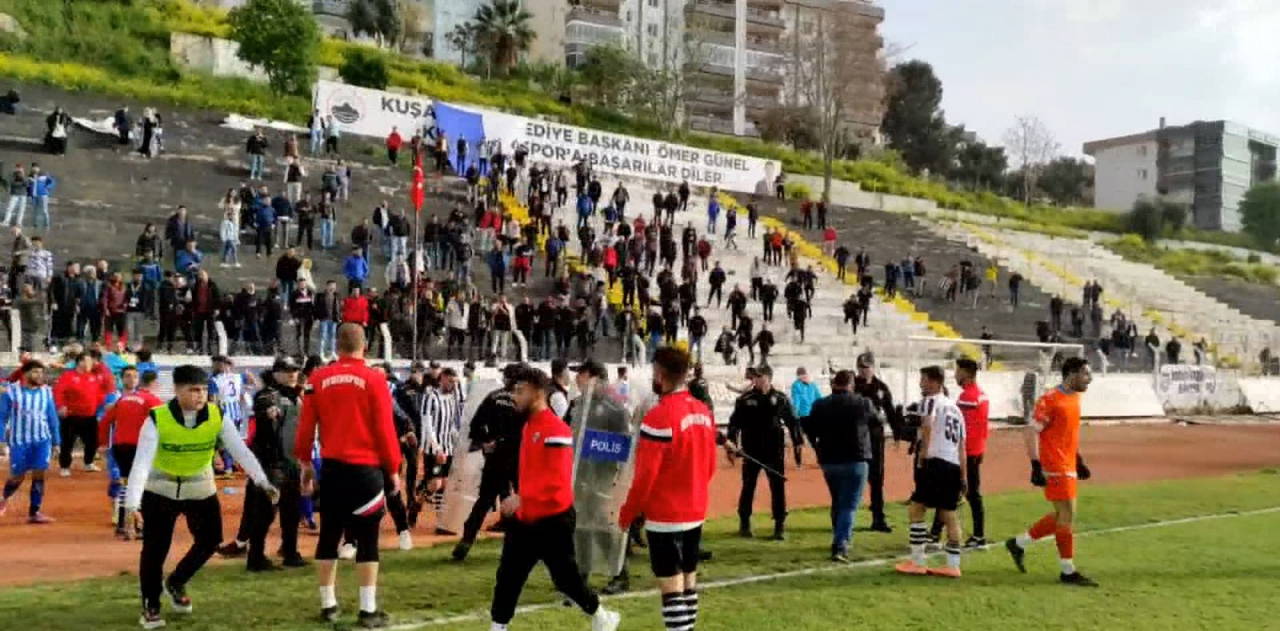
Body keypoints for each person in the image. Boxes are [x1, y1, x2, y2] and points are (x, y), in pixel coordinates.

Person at [124, 364, 278, 629]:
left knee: (210, 541)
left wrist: (262, 481)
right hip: (160, 491)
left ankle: (176, 581)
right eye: (193, 390)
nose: (200, 396)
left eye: (204, 390)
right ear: (177, 390)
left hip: (200, 489)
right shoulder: (156, 419)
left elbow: (240, 451)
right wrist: (131, 505)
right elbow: (141, 464)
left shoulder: (217, 415)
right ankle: (151, 606)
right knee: (154, 551)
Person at [486, 366, 621, 631]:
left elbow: (557, 481)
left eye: (520, 391)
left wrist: (523, 498)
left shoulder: (555, 430)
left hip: (553, 520)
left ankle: (602, 616)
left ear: (538, 393)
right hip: (526, 519)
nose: (514, 396)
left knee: (565, 580)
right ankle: (498, 627)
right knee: (508, 576)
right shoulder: (529, 426)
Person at [295, 324, 402, 626]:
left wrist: (305, 463)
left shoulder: (317, 379)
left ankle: (328, 605)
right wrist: (393, 468)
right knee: (368, 539)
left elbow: (306, 428)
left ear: (337, 345)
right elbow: (385, 429)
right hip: (366, 470)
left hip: (332, 469)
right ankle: (368, 610)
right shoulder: (374, 379)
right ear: (364, 345)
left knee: (329, 535)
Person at [618, 347, 717, 630]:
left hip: (666, 513)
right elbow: (710, 465)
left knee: (671, 588)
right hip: (695, 508)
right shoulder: (703, 411)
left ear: (660, 375)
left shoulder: (659, 416)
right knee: (688, 582)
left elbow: (645, 475)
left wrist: (628, 513)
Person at [1005, 357, 1099, 587]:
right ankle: (1068, 571)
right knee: (1066, 515)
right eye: (1085, 374)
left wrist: (1078, 458)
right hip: (1055, 466)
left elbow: (1066, 432)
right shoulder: (1050, 399)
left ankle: (1018, 543)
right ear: (1072, 374)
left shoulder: (1074, 397)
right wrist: (1035, 465)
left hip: (1068, 463)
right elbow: (1030, 431)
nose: (1089, 379)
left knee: (1062, 515)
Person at [894, 365, 967, 578]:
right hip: (953, 464)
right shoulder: (956, 409)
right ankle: (953, 565)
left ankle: (917, 561)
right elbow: (962, 446)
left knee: (917, 509)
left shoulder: (929, 401)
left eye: (923, 380)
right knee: (949, 514)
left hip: (935, 461)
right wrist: (963, 476)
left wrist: (923, 456)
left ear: (935, 382)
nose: (921, 384)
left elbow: (927, 426)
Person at [801, 369, 873, 562]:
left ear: (834, 384)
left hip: (830, 460)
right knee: (849, 505)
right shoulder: (862, 403)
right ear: (851, 384)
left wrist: (817, 448)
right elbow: (876, 420)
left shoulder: (820, 404)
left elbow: (809, 427)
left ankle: (839, 535)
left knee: (838, 501)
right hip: (855, 458)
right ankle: (840, 543)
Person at [453, 364, 523, 561]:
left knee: (484, 500)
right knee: (524, 500)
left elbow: (475, 426)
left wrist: (486, 442)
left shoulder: (493, 397)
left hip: (496, 457)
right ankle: (519, 544)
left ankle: (467, 540)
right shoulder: (524, 400)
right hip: (518, 457)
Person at [245, 357, 306, 571]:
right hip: (271, 464)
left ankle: (290, 552)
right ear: (276, 373)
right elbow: (263, 406)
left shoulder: (297, 395)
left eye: (295, 370)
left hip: (291, 462)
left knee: (292, 512)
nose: (292, 374)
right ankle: (256, 557)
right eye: (287, 370)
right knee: (265, 512)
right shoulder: (268, 395)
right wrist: (269, 411)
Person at [726, 365, 800, 540]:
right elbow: (734, 423)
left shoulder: (780, 398)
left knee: (777, 486)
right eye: (755, 377)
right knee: (748, 486)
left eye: (760, 376)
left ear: (769, 378)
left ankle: (779, 524)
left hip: (774, 450)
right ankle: (744, 522)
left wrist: (797, 441)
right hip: (751, 450)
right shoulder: (745, 399)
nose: (757, 380)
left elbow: (792, 421)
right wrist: (732, 444)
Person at [930, 358, 990, 548]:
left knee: (948, 493)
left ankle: (936, 535)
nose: (956, 375)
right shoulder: (982, 395)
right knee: (970, 493)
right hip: (976, 450)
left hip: (963, 453)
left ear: (965, 373)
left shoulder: (967, 397)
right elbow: (983, 426)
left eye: (957, 371)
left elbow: (958, 427)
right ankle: (976, 535)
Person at [99, 368, 162, 538]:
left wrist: (103, 443)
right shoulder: (153, 400)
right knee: (143, 485)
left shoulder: (123, 399)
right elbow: (163, 423)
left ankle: (123, 524)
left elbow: (105, 421)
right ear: (154, 384)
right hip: (140, 447)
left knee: (126, 484)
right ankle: (140, 525)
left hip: (120, 447)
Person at [0, 360, 60, 523]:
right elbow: (2, 417)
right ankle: (4, 498)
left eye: (41, 372)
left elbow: (52, 417)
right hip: (19, 441)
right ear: (25, 373)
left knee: (39, 472)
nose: (40, 376)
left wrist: (56, 442)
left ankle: (34, 512)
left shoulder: (46, 392)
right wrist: (1, 440)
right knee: (17, 476)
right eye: (35, 372)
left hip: (42, 440)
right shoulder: (11, 392)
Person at [852, 353, 897, 533]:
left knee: (877, 478)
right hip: (855, 438)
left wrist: (897, 433)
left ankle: (878, 518)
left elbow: (890, 410)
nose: (863, 370)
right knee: (853, 478)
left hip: (875, 437)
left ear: (873, 367)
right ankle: (845, 518)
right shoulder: (852, 385)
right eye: (861, 367)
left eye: (866, 367)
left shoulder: (881, 387)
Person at [419, 367, 465, 531]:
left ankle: (441, 522)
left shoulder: (452, 398)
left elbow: (452, 423)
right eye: (450, 381)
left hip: (448, 446)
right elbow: (427, 424)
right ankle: (418, 502)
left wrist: (457, 440)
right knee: (435, 483)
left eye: (455, 382)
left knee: (445, 484)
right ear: (442, 379)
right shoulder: (430, 396)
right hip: (433, 448)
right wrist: (437, 448)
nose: (453, 385)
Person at [53, 352, 111, 476]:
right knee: (67, 443)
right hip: (71, 416)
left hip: (90, 416)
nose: (91, 363)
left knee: (93, 441)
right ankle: (65, 466)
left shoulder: (94, 376)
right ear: (80, 362)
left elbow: (106, 386)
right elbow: (58, 391)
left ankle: (88, 462)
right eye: (88, 361)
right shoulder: (68, 376)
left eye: (92, 361)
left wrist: (100, 366)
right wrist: (61, 405)